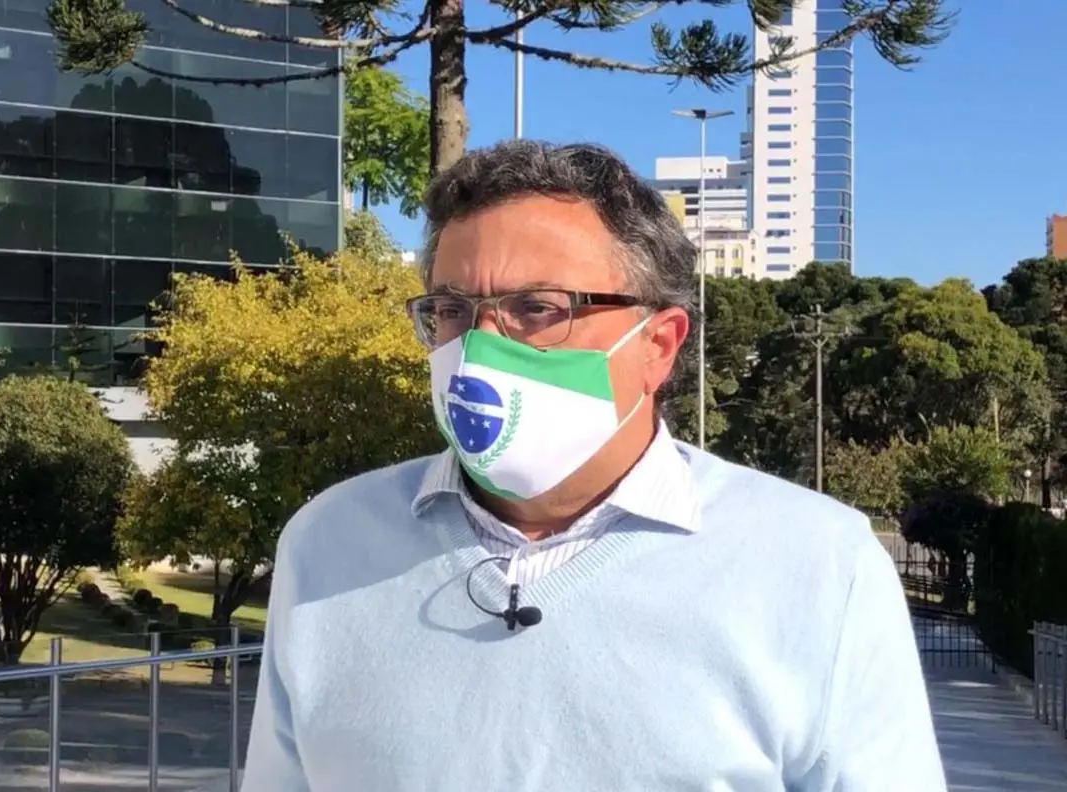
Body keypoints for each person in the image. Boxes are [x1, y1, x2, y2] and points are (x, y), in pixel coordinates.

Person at [240, 141, 945, 791]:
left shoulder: (819, 566)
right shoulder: (327, 544)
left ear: (658, 346)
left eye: (537, 308)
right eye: (452, 309)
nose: (480, 346)